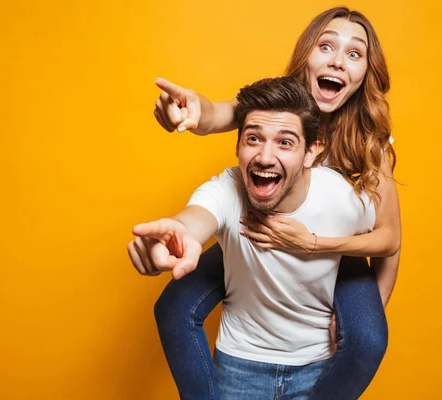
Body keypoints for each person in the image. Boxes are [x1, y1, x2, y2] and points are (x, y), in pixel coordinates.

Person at [149, 6, 401, 400]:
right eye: (327, 47)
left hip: (336, 245)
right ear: (306, 56)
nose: (337, 60)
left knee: (369, 338)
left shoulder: (371, 138)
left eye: (354, 54)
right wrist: (193, 111)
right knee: (174, 307)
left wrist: (355, 308)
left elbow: (390, 239)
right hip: (263, 232)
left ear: (365, 73)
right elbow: (218, 113)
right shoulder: (277, 105)